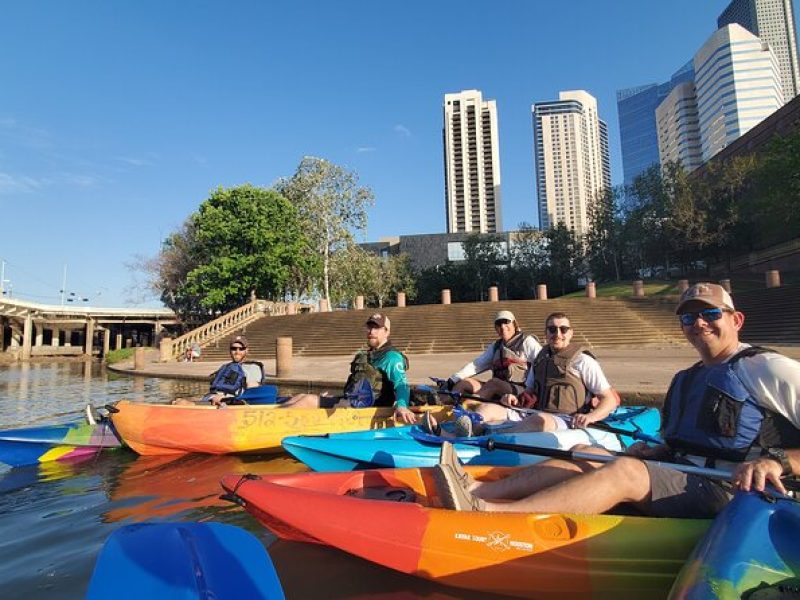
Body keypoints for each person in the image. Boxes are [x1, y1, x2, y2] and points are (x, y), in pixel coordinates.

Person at [434, 283, 800, 518]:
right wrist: (655, 452)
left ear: (736, 319)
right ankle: (477, 489)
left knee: (624, 472)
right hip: (687, 475)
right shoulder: (687, 378)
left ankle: (490, 513)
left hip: (734, 492)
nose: (699, 323)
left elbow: (608, 397)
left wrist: (777, 462)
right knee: (583, 451)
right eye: (689, 316)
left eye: (710, 313)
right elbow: (679, 443)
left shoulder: (766, 368)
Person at [441, 312, 619, 437]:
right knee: (487, 409)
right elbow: (531, 390)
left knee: (538, 420)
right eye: (552, 329)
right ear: (546, 333)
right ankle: (460, 435)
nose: (557, 334)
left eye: (563, 329)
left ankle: (488, 439)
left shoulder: (583, 362)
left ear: (570, 333)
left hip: (566, 419)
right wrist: (514, 399)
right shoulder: (540, 359)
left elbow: (609, 399)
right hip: (533, 412)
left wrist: (590, 417)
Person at [278, 313, 417, 424]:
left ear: (387, 332)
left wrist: (402, 406)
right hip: (352, 402)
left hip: (368, 410)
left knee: (307, 401)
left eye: (376, 328)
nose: (371, 331)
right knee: (300, 397)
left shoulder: (392, 357)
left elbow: (401, 384)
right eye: (369, 327)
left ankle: (271, 423)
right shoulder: (368, 354)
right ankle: (267, 415)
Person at [421, 310, 542, 435]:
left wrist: (530, 389)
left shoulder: (527, 341)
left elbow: (541, 361)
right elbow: (476, 365)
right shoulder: (496, 346)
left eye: (506, 323)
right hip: (499, 388)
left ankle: (463, 414)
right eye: (499, 324)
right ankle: (441, 404)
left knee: (493, 383)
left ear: (515, 324)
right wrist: (452, 380)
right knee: (465, 383)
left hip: (520, 390)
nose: (503, 327)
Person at [173, 335, 262, 406]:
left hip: (230, 402)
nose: (237, 351)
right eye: (233, 348)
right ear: (230, 350)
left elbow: (252, 391)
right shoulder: (225, 367)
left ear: (246, 350)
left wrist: (224, 398)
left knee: (183, 404)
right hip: (212, 398)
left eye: (241, 349)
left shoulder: (252, 368)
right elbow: (215, 389)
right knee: (178, 400)